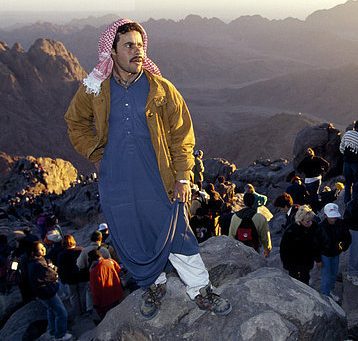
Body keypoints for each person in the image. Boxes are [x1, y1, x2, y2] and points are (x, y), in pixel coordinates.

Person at [65, 19, 230, 319]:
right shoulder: (96, 89)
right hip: (117, 182)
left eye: (140, 46)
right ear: (111, 52)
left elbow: (183, 136)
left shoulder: (160, 89)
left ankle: (201, 290)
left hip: (158, 178)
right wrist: (95, 151)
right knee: (134, 234)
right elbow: (75, 122)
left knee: (177, 233)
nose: (137, 51)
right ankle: (154, 285)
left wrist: (183, 177)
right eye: (129, 45)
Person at [28, 241, 72, 340]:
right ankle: (60, 335)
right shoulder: (38, 264)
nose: (43, 249)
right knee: (61, 313)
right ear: (34, 251)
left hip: (42, 292)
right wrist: (54, 270)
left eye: (43, 247)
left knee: (51, 311)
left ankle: (53, 331)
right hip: (47, 292)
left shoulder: (34, 261)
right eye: (40, 249)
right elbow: (51, 275)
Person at [313, 203, 351, 302]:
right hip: (324, 255)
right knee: (326, 275)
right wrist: (318, 259)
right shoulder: (320, 228)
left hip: (336, 253)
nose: (333, 219)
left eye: (334, 217)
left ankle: (331, 290)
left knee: (333, 273)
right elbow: (315, 245)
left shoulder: (341, 224)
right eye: (331, 217)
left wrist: (343, 246)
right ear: (325, 216)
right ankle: (325, 296)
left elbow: (347, 237)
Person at [279, 206, 317, 284]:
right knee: (294, 282)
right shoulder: (291, 231)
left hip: (306, 263)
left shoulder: (312, 228)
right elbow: (284, 249)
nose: (310, 223)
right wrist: (287, 264)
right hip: (293, 263)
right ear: (300, 220)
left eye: (310, 221)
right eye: (307, 221)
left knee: (305, 281)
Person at [57, 235, 88, 316]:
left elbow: (61, 270)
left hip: (70, 279)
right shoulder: (81, 250)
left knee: (74, 296)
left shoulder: (61, 255)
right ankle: (84, 310)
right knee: (82, 294)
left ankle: (78, 313)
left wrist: (63, 280)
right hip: (82, 276)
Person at [88, 249, 123, 320]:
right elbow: (119, 270)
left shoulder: (94, 271)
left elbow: (95, 290)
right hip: (117, 294)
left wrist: (96, 304)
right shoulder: (110, 261)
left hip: (105, 301)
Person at [340, 119, 358, 203]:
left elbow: (341, 147)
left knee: (348, 184)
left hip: (346, 162)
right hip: (356, 163)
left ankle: (346, 202)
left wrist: (346, 155)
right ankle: (355, 201)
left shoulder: (347, 134)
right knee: (356, 183)